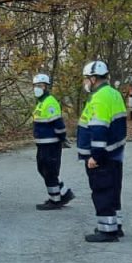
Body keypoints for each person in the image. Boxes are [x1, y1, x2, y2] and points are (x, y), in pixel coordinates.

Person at [75, 60, 128, 242]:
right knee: (113, 190)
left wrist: (95, 156)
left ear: (93, 78)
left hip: (102, 154)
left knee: (102, 190)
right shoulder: (114, 94)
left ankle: (107, 231)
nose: (85, 82)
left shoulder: (99, 97)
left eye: (86, 79)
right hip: (115, 152)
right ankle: (115, 225)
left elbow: (99, 128)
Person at [32, 73, 75, 211]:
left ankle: (55, 200)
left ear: (45, 87)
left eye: (39, 86)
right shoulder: (41, 103)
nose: (36, 88)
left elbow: (58, 123)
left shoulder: (50, 102)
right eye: (35, 86)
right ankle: (63, 193)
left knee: (50, 171)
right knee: (43, 169)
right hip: (42, 143)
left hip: (51, 143)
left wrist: (63, 139)